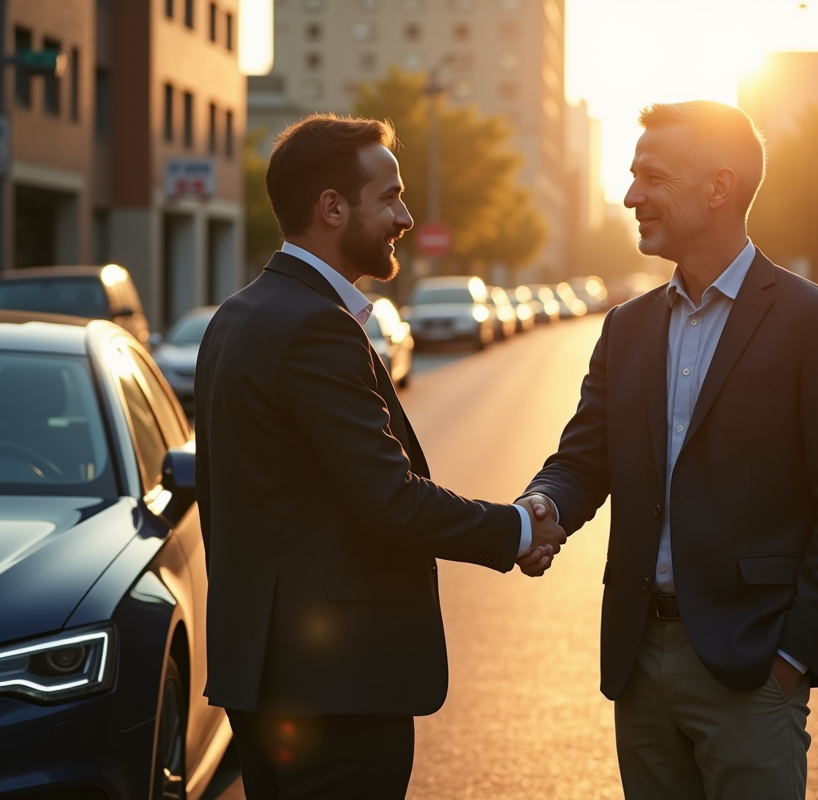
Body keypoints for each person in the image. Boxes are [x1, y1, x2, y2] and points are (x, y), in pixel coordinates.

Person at [194, 114, 566, 799]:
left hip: (264, 678)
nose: (405, 214)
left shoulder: (238, 314)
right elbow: (388, 499)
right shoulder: (314, 328)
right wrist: (516, 530)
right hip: (337, 690)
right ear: (331, 208)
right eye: (389, 196)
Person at [522, 100, 818, 799]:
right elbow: (583, 460)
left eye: (651, 176)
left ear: (719, 188)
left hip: (751, 664)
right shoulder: (626, 329)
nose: (631, 195)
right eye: (631, 176)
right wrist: (541, 507)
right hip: (637, 659)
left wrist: (791, 656)